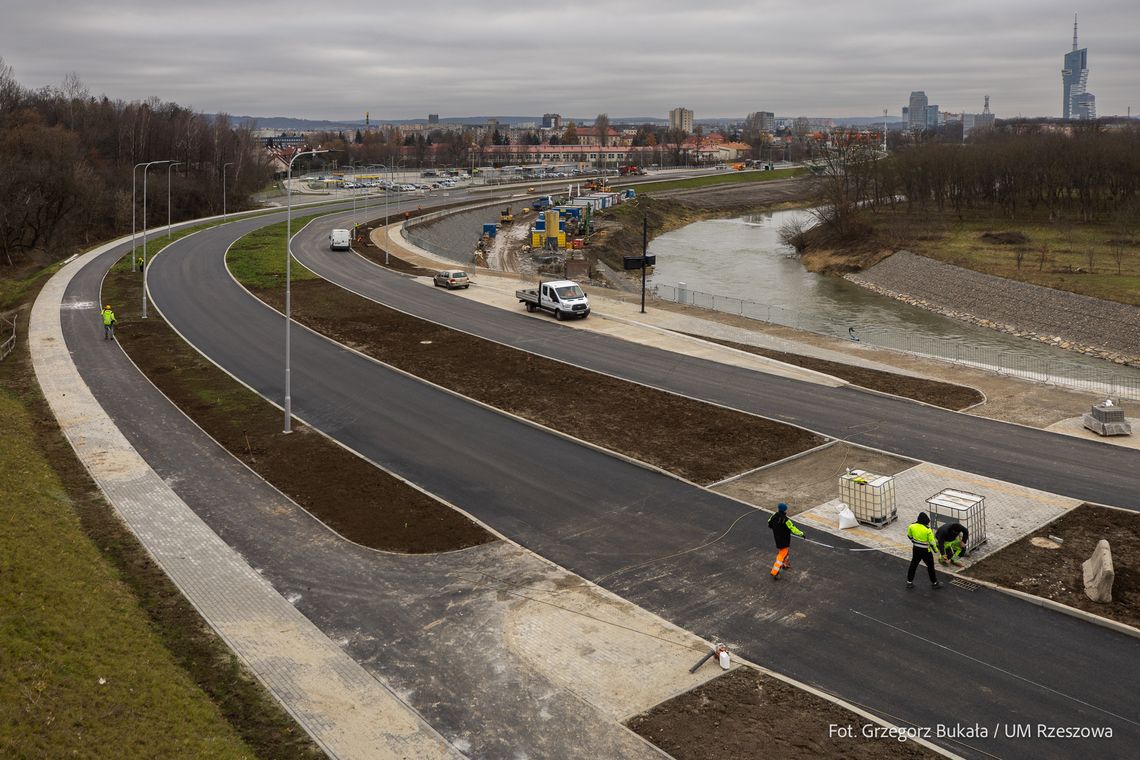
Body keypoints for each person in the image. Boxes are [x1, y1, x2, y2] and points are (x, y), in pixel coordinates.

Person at [768, 502, 804, 580]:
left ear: (778, 509)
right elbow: (793, 528)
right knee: (781, 555)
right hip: (785, 540)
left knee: (785, 552)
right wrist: (801, 534)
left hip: (777, 538)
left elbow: (769, 523)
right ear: (785, 510)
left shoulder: (774, 516)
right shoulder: (786, 520)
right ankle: (775, 571)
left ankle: (786, 564)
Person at [906, 512, 942, 589]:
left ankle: (909, 582)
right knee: (930, 566)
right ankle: (934, 583)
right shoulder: (928, 530)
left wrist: (914, 542)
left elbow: (909, 536)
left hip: (916, 549)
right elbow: (932, 543)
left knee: (913, 565)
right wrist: (935, 551)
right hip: (926, 551)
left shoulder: (911, 526)